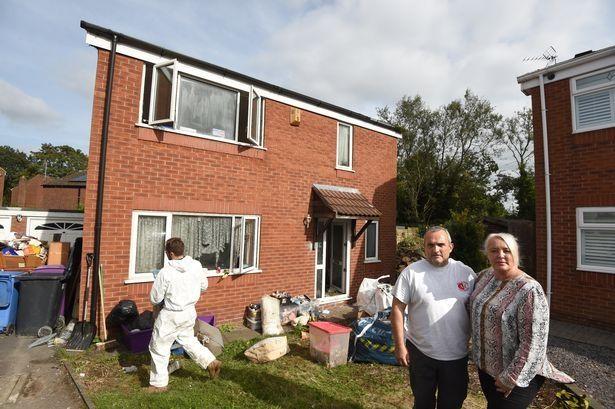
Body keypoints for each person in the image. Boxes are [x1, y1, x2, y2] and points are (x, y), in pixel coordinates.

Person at [469, 233, 573, 408]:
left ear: (515, 254)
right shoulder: (484, 277)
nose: (500, 255)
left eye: (506, 250)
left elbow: (534, 343)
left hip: (517, 375)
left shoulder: (529, 290)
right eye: (494, 250)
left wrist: (510, 378)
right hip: (487, 370)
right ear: (487, 254)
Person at [391, 226, 476, 409]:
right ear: (424, 247)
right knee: (423, 403)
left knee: (452, 403)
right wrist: (399, 345)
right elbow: (397, 309)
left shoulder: (466, 273)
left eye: (440, 244)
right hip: (421, 353)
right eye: (430, 245)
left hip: (456, 355)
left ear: (451, 247)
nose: (435, 249)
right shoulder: (411, 273)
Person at [147, 237, 222, 393]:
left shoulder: (166, 272)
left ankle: (158, 384)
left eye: (167, 252)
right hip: (189, 312)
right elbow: (204, 286)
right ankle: (210, 361)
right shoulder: (196, 265)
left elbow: (155, 298)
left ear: (171, 253)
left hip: (171, 315)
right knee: (189, 340)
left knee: (159, 347)